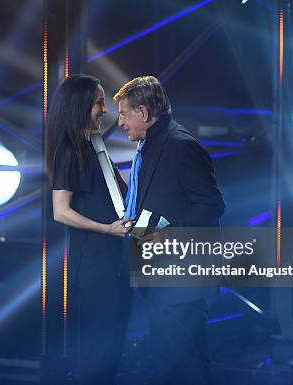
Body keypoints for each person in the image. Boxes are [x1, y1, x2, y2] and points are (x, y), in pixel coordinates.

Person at [115, 76, 225, 385]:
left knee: (183, 366)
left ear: (144, 113)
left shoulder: (181, 145)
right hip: (163, 278)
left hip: (181, 280)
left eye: (124, 113)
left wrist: (169, 234)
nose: (120, 121)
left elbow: (212, 204)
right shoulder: (152, 146)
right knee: (173, 363)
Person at [47, 74, 131, 384]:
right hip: (94, 266)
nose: (105, 110)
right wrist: (106, 229)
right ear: (82, 105)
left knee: (112, 344)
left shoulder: (96, 145)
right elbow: (61, 212)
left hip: (113, 260)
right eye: (99, 103)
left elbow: (120, 194)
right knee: (99, 347)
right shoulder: (69, 151)